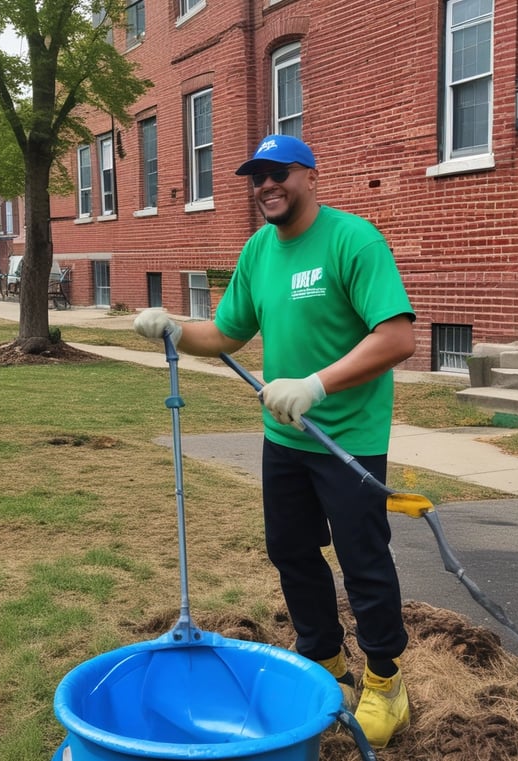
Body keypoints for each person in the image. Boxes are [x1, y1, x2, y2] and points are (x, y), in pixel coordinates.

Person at [134, 134, 416, 748]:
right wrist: (177, 328)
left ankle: (386, 682)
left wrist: (317, 383)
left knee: (363, 561)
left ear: (310, 174)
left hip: (347, 438)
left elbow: (397, 339)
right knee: (290, 550)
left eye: (278, 172)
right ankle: (324, 661)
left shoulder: (353, 240)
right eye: (257, 176)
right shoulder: (260, 250)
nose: (266, 185)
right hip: (284, 438)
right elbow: (228, 333)